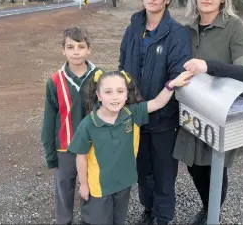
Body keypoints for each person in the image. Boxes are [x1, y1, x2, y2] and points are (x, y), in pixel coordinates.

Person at [172, 0, 243, 225]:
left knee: (215, 166)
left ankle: (212, 214)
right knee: (194, 165)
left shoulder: (234, 26)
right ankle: (208, 207)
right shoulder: (187, 30)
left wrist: (208, 66)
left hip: (220, 111)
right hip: (192, 109)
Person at [67, 69, 194, 225]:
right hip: (99, 187)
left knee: (119, 219)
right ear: (98, 95)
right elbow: (81, 156)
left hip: (124, 183)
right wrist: (84, 185)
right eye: (108, 92)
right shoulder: (88, 124)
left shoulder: (132, 114)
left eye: (120, 91)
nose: (115, 97)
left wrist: (171, 85)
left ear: (126, 94)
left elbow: (157, 103)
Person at [118, 0, 192, 225]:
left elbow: (177, 76)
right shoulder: (133, 28)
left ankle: (162, 217)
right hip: (134, 116)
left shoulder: (177, 34)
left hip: (162, 118)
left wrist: (159, 102)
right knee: (142, 172)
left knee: (163, 175)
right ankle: (148, 210)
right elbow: (122, 66)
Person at [41, 27, 100, 225]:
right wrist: (50, 153)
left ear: (88, 49)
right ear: (63, 50)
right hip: (64, 148)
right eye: (70, 47)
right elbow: (49, 120)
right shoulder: (55, 80)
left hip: (92, 147)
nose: (76, 51)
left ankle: (88, 220)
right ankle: (64, 221)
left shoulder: (100, 76)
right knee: (63, 189)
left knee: (90, 187)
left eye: (81, 46)